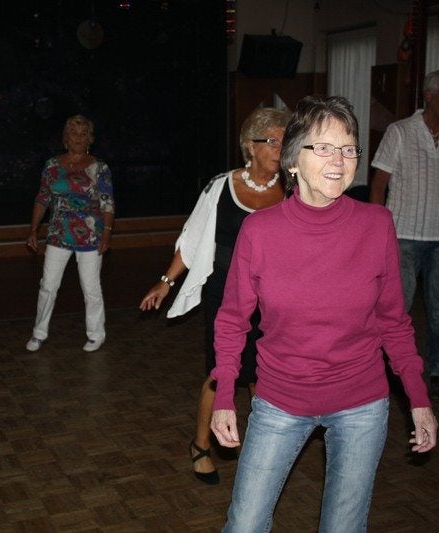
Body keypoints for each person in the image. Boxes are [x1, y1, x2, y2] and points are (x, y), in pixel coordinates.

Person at [211, 96, 438, 531]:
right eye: (324, 147)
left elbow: (394, 321)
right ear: (292, 160)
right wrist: (224, 396)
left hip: (361, 404)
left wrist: (419, 398)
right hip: (280, 400)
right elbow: (232, 319)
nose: (339, 160)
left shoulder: (376, 225)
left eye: (349, 148)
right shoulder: (259, 231)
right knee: (244, 524)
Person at [139, 107, 290, 485]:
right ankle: (201, 444)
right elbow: (192, 239)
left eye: (285, 141)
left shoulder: (294, 189)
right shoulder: (222, 187)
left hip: (274, 297)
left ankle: (263, 449)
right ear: (250, 145)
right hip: (226, 293)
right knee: (221, 371)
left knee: (264, 374)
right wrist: (166, 281)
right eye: (272, 141)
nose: (280, 148)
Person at [370, 68, 439, 399]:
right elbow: (379, 185)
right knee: (396, 309)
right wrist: (375, 232)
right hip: (402, 236)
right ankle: (389, 369)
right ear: (428, 96)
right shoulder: (400, 132)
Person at [25, 114, 115, 352]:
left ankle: (96, 334)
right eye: (74, 133)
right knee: (48, 285)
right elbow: (43, 198)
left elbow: (107, 203)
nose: (78, 138)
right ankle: (39, 333)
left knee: (91, 287)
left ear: (90, 139)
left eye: (83, 134)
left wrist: (106, 234)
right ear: (66, 138)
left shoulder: (100, 167)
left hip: (90, 235)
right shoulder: (52, 165)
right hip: (58, 233)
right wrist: (33, 229)